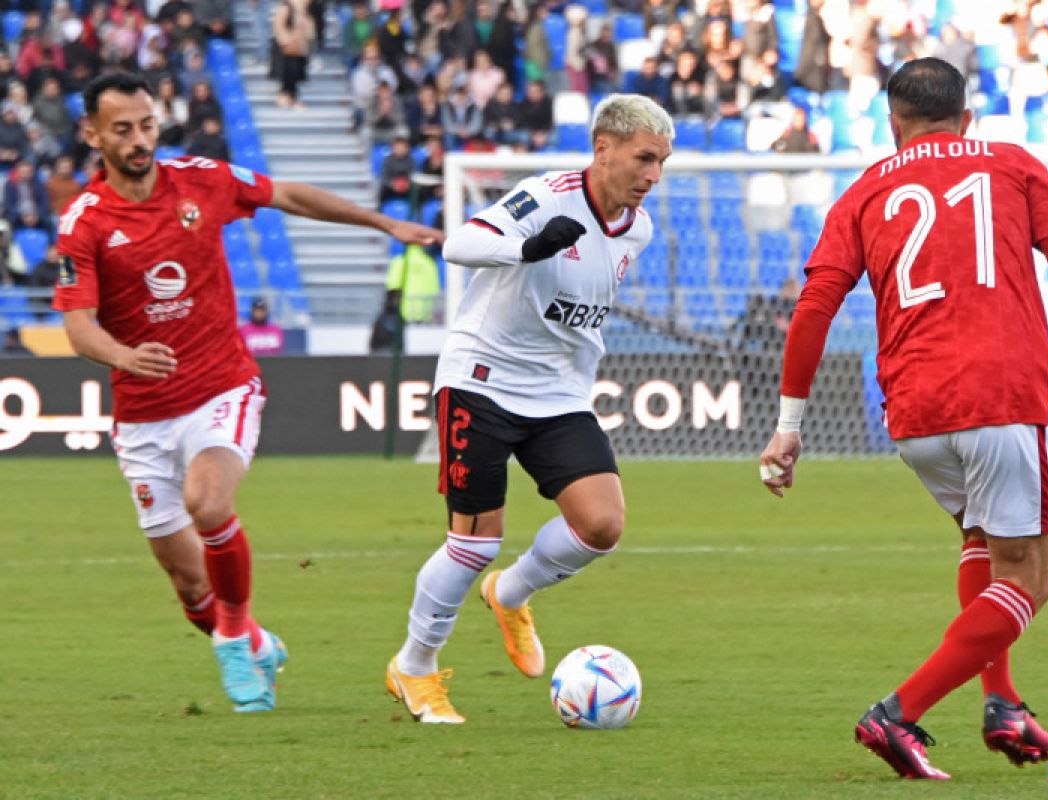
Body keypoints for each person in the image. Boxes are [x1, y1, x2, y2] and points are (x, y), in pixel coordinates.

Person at [758, 57, 1048, 780]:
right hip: (1003, 395)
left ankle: (1003, 703)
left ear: (893, 125)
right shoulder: (1012, 165)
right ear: (968, 117)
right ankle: (897, 713)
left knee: (984, 545)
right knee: (1033, 577)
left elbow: (815, 306)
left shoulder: (865, 191)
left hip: (913, 414)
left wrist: (788, 422)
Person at [52, 73, 444, 713]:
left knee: (208, 504)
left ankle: (234, 640)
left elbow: (287, 193)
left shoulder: (201, 179)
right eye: (121, 129)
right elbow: (75, 326)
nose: (139, 139)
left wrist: (381, 223)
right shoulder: (85, 223)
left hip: (221, 388)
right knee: (187, 584)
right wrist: (125, 355)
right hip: (142, 417)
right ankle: (253, 638)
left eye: (147, 123)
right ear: (92, 135)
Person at [385, 94, 673, 724]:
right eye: (644, 158)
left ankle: (510, 593)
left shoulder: (640, 228)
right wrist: (528, 249)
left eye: (662, 163)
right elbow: (460, 244)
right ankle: (414, 668)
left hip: (559, 393)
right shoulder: (545, 194)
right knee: (474, 542)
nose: (653, 175)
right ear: (604, 148)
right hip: (482, 379)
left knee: (602, 526)